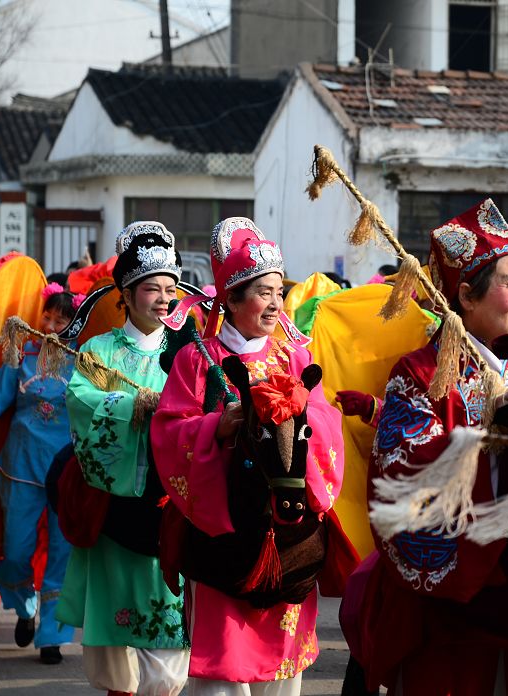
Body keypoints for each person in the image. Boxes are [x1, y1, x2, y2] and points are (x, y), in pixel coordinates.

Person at [347, 199, 508, 695]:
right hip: (455, 611)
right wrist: (498, 443)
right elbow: (402, 473)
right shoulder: (421, 374)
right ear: (465, 295)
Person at [151, 217, 344, 694]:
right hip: (226, 532)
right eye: (263, 292)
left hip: (286, 529)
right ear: (231, 300)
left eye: (280, 291)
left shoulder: (297, 356)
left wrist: (296, 418)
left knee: (283, 670)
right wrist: (221, 424)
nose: (276, 303)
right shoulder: (198, 359)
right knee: (223, 666)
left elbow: (327, 423)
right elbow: (170, 431)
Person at [56, 221, 189, 696]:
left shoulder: (189, 352)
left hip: (169, 504)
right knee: (115, 641)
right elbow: (80, 402)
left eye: (169, 289)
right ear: (126, 295)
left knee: (170, 642)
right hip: (115, 504)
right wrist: (130, 405)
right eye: (150, 289)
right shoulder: (99, 351)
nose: (162, 298)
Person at [0, 284, 82, 663]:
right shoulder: (21, 353)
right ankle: (26, 608)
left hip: (66, 471)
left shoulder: (86, 362)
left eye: (61, 319)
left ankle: (51, 638)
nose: (51, 324)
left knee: (62, 556)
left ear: (73, 323)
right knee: (15, 550)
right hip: (21, 466)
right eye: (47, 315)